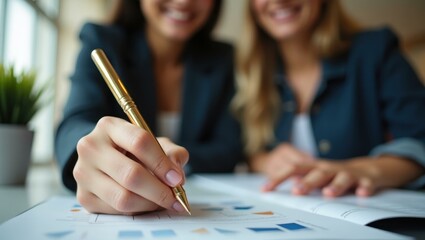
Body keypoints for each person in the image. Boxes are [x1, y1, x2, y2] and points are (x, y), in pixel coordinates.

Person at [55, 0, 244, 214]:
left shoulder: (223, 58)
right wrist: (94, 155)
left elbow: (228, 148)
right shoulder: (102, 41)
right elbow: (73, 125)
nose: (183, 2)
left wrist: (167, 159)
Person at [232, 0, 425, 198]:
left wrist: (366, 169)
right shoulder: (250, 71)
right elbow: (236, 148)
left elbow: (420, 141)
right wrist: (264, 161)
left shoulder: (375, 50)